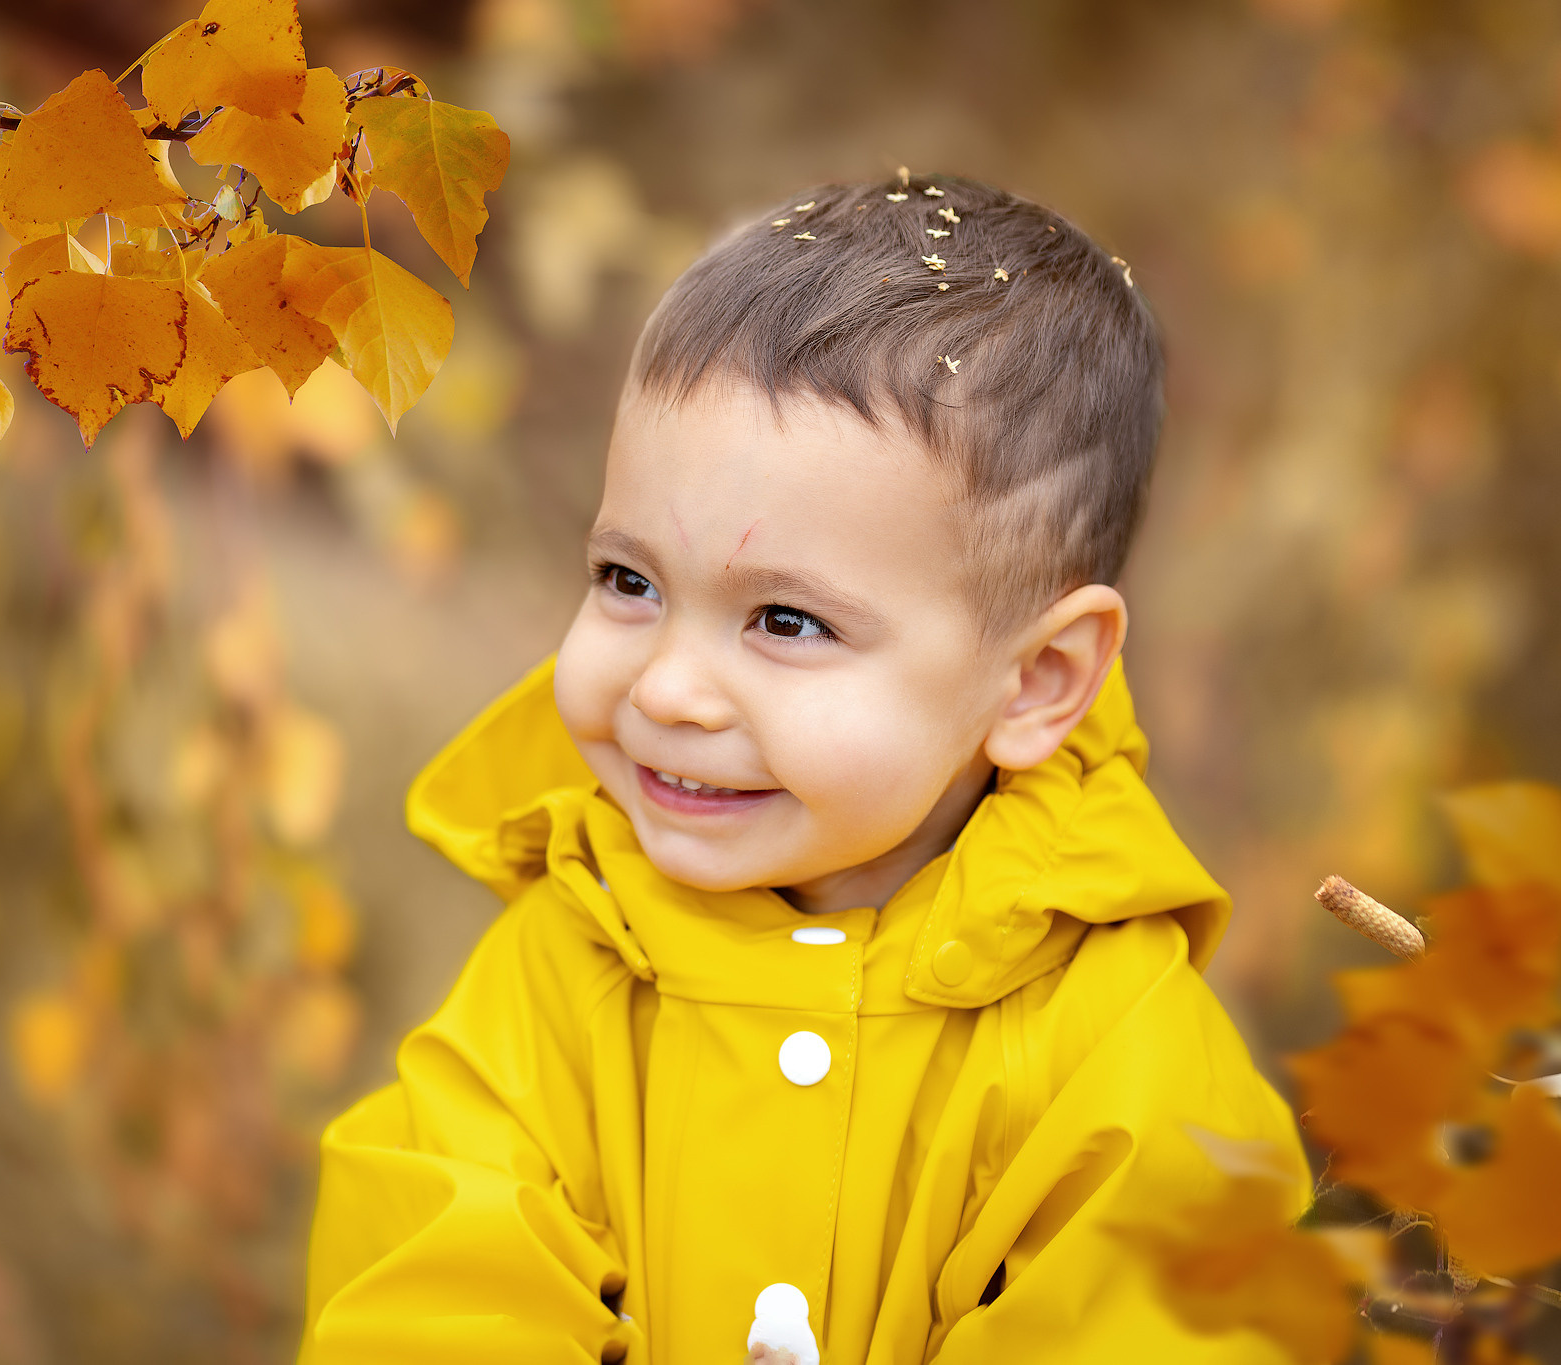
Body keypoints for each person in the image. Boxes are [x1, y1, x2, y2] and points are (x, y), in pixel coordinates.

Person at [297, 173, 1308, 1364]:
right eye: (629, 582)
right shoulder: (562, 976)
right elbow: (429, 1289)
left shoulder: (1115, 1056)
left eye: (784, 621)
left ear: (1034, 681)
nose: (665, 689)